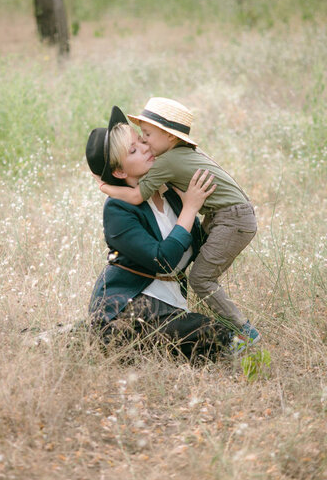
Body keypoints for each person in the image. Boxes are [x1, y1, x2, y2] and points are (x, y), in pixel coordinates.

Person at [98, 98, 260, 349]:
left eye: (143, 139)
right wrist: (191, 208)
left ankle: (232, 338)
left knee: (204, 331)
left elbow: (195, 245)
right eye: (134, 149)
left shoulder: (170, 189)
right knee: (205, 334)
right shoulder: (118, 208)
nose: (145, 146)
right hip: (133, 306)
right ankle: (234, 337)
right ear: (119, 172)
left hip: (172, 306)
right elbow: (163, 260)